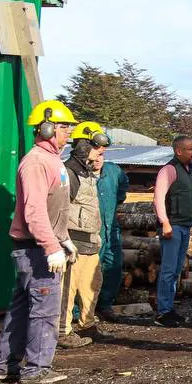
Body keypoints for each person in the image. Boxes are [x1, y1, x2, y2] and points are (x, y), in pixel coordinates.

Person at [0, 100, 77, 384]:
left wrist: (64, 239)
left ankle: (4, 366)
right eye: (64, 128)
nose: (69, 134)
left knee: (21, 309)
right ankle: (37, 369)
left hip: (41, 246)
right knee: (44, 310)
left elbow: (55, 208)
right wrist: (51, 248)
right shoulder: (37, 162)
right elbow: (35, 211)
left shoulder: (53, 161)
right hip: (36, 250)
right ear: (46, 128)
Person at [59, 122, 110, 348]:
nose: (101, 151)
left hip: (90, 241)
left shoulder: (88, 173)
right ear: (83, 145)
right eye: (97, 146)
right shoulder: (69, 172)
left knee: (92, 285)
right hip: (73, 242)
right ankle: (63, 330)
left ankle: (87, 324)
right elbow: (59, 209)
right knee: (67, 289)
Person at [153, 135, 192, 327]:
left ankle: (170, 308)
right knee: (168, 270)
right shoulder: (169, 170)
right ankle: (163, 312)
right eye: (190, 149)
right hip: (173, 226)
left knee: (176, 270)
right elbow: (158, 198)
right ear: (179, 151)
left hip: (185, 225)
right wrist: (164, 222)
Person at [94, 134, 130, 323]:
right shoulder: (77, 173)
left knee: (113, 266)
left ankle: (104, 305)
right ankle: (77, 311)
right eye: (96, 155)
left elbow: (124, 184)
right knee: (86, 272)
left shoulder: (113, 171)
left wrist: (118, 199)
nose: (98, 159)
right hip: (90, 232)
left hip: (111, 228)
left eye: (102, 155)